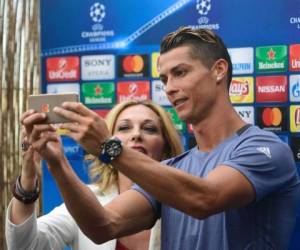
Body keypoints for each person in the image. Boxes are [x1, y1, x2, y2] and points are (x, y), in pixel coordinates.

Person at [18, 26, 300, 250]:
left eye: (180, 73)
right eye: (164, 79)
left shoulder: (266, 149)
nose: (170, 88)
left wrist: (109, 148)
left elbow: (204, 198)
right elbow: (102, 226)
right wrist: (57, 161)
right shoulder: (172, 170)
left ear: (219, 70)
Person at [5, 100, 183, 250]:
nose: (136, 135)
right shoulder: (85, 201)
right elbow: (25, 245)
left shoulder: (184, 202)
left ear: (166, 148)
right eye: (124, 128)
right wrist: (28, 172)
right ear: (103, 140)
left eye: (150, 129)